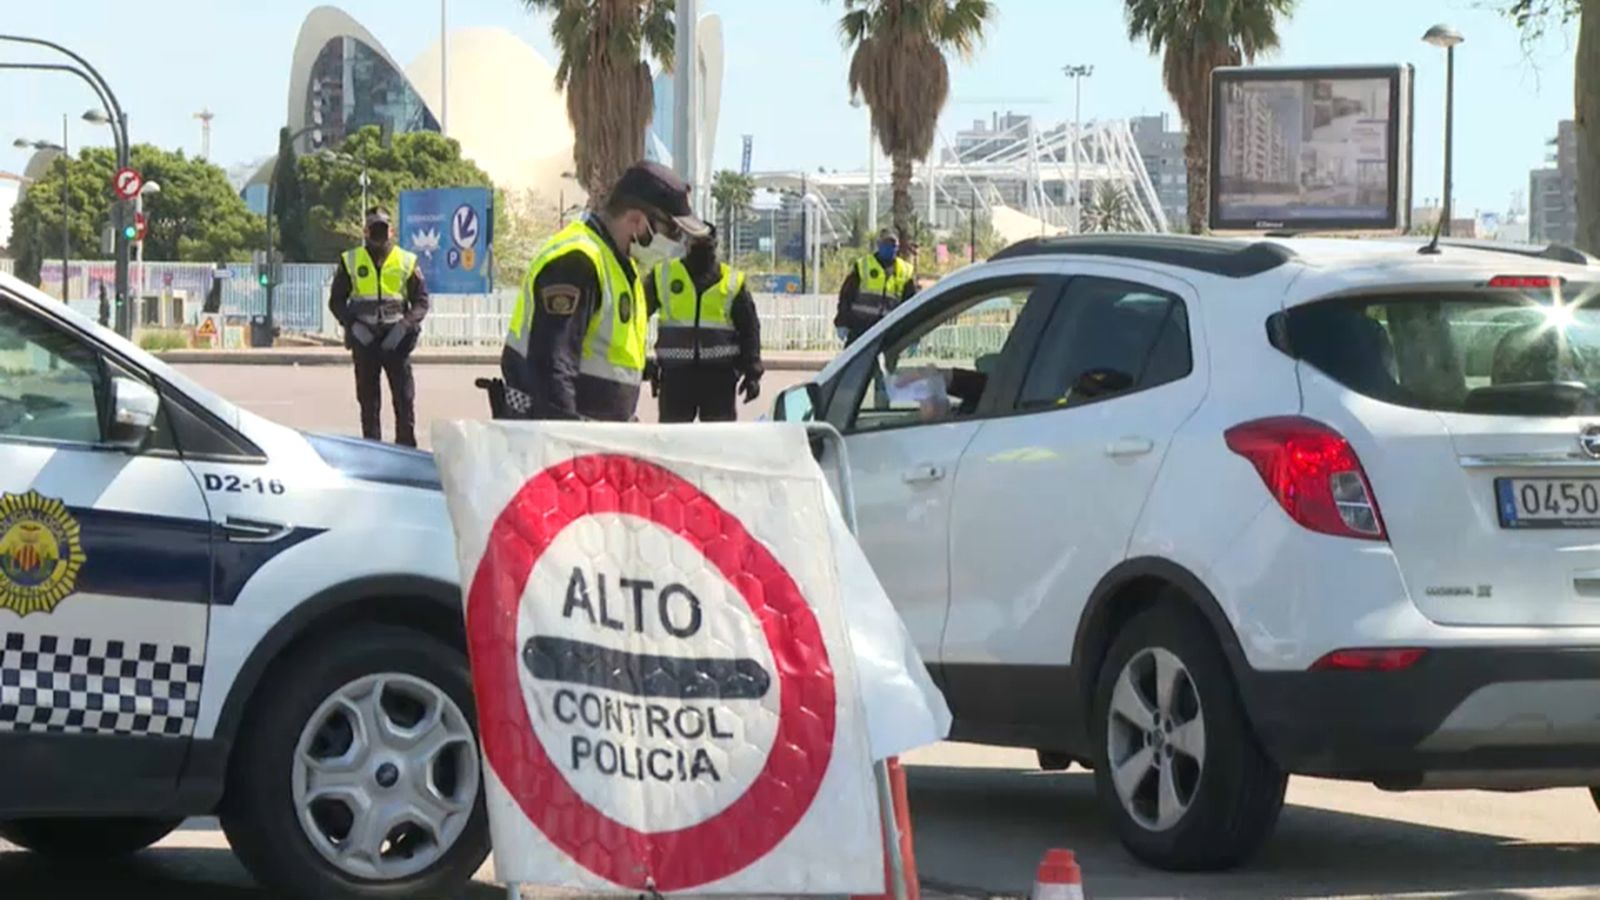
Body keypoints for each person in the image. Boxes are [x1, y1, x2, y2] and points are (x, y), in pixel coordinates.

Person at [502, 160, 709, 421]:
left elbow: (600, 349)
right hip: (558, 442)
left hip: (597, 438)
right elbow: (552, 366)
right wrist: (572, 446)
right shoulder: (578, 262)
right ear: (637, 220)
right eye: (673, 232)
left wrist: (644, 368)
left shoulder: (621, 265)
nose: (676, 244)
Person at [328, 207, 427, 446]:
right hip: (366, 341)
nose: (379, 234)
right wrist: (352, 326)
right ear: (365, 231)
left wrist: (404, 326)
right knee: (369, 401)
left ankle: (406, 448)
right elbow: (336, 301)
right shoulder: (350, 260)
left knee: (404, 399)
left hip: (397, 341)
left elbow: (421, 302)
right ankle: (372, 449)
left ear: (391, 230)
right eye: (374, 229)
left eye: (383, 228)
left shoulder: (407, 261)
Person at [646, 224, 762, 423]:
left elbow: (749, 329)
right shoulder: (663, 276)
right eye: (695, 240)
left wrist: (753, 371)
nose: (700, 246)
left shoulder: (731, 281)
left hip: (719, 378)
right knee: (673, 445)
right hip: (676, 377)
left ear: (715, 244)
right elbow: (636, 317)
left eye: (706, 242)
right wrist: (643, 362)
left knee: (716, 447)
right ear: (685, 242)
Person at [835, 228, 916, 345]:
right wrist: (842, 322)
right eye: (886, 244)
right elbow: (846, 296)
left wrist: (911, 333)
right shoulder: (863, 266)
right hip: (860, 329)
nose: (890, 247)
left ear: (898, 246)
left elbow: (911, 304)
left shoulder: (905, 271)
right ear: (879, 244)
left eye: (893, 244)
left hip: (888, 332)